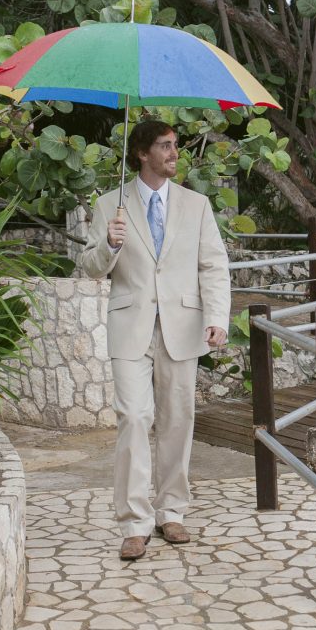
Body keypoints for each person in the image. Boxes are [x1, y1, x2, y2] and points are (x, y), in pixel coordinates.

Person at [82, 119, 231, 561]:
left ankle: (171, 512)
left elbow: (213, 265)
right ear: (142, 153)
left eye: (175, 145)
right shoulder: (110, 205)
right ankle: (134, 523)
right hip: (131, 326)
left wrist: (217, 317)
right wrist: (109, 245)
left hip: (182, 326)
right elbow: (90, 267)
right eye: (165, 146)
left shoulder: (196, 204)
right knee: (133, 416)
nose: (174, 153)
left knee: (177, 420)